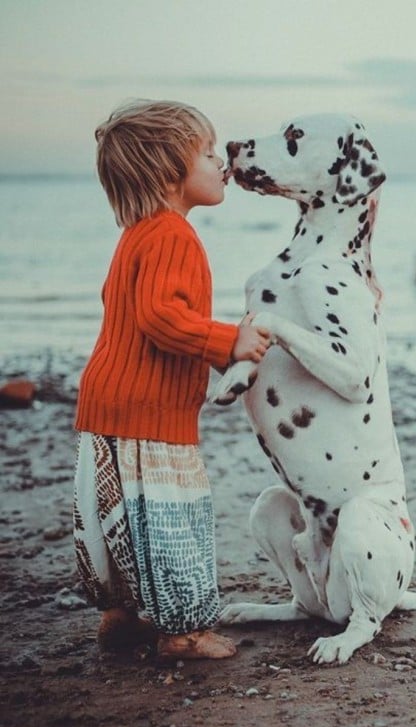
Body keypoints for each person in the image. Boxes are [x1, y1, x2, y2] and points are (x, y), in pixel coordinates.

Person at [73, 100, 270, 660]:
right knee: (169, 518)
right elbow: (162, 318)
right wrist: (227, 342)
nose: (222, 162)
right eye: (209, 153)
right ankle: (182, 632)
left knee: (120, 517)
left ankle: (123, 614)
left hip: (107, 404)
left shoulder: (137, 234)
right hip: (148, 412)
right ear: (168, 173)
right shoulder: (172, 236)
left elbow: (134, 312)